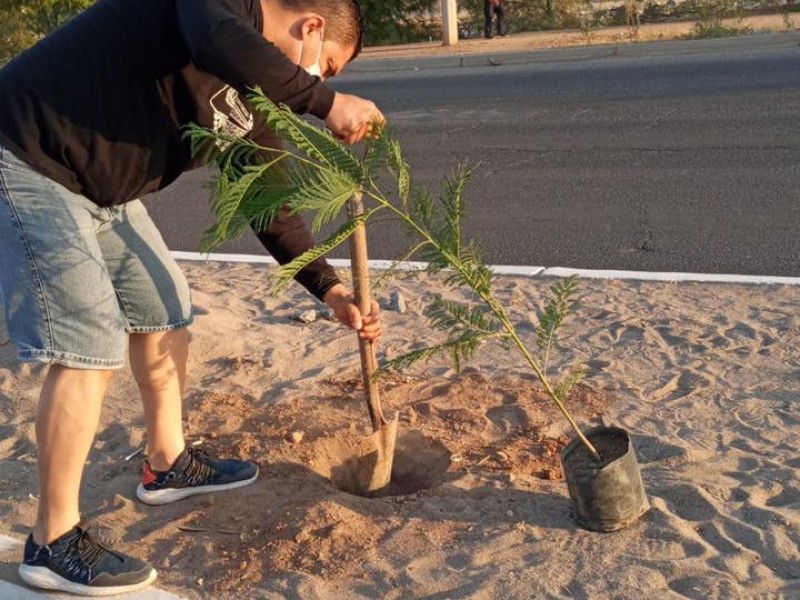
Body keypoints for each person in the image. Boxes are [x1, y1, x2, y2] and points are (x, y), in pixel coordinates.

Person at [0, 0, 383, 595]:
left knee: (163, 305)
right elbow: (214, 35)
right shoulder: (218, 10)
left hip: (100, 189)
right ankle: (51, 542)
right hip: (24, 155)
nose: (314, 82)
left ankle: (166, 462)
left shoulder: (253, 98)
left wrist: (329, 290)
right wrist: (326, 103)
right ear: (310, 29)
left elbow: (268, 203)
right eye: (326, 68)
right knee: (87, 338)